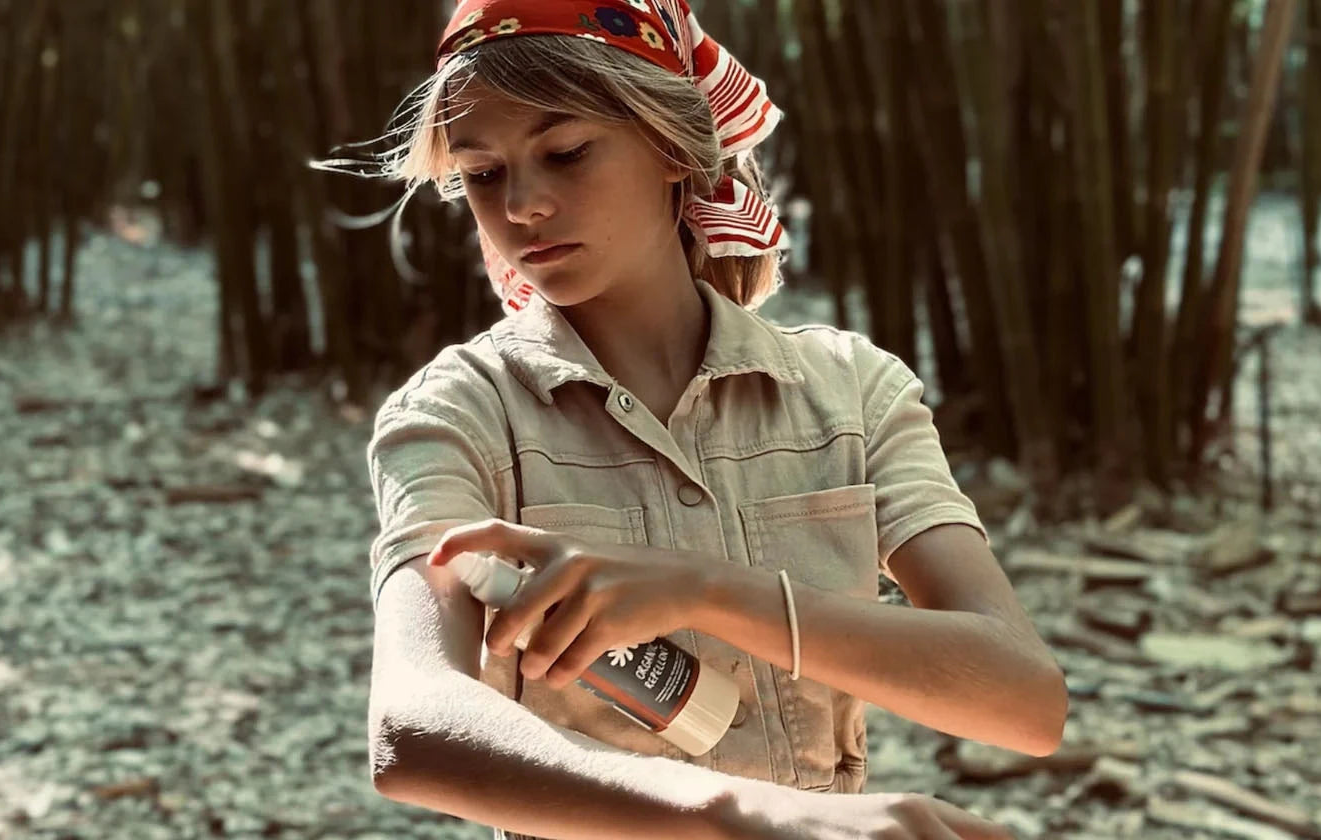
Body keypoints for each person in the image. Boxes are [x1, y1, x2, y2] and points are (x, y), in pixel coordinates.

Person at [338, 2, 1066, 838]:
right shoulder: (459, 412)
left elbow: (1025, 703)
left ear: (673, 148)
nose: (525, 205)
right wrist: (743, 815)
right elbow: (413, 724)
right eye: (483, 173)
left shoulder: (850, 392)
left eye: (566, 153)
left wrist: (710, 593)